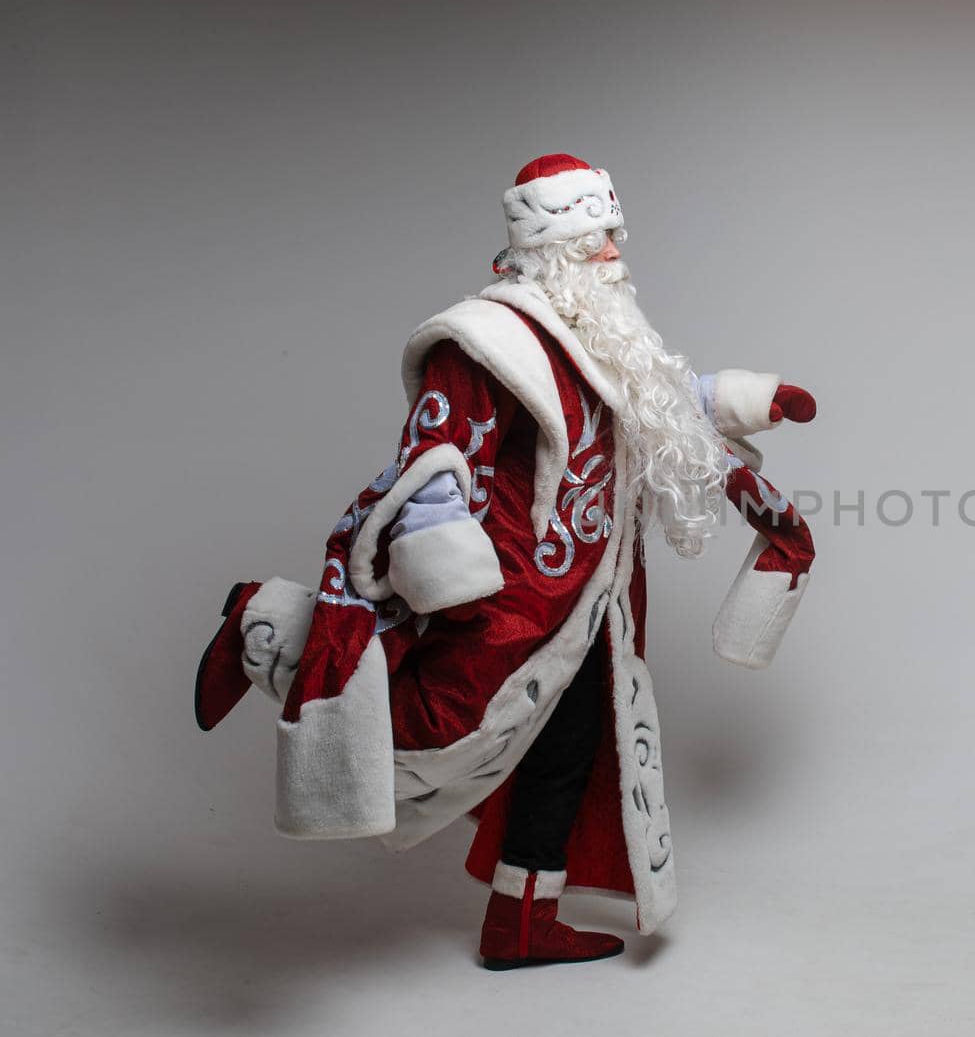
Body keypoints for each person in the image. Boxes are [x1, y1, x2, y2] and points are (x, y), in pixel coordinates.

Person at [193, 153, 816, 968]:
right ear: (551, 247)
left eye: (613, 237)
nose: (613, 255)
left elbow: (652, 400)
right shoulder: (486, 339)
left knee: (571, 746)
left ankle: (522, 920)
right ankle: (268, 628)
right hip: (504, 595)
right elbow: (435, 452)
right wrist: (448, 577)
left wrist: (743, 398)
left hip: (589, 596)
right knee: (428, 729)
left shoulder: (600, 332)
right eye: (596, 240)